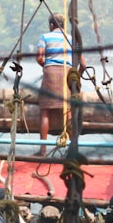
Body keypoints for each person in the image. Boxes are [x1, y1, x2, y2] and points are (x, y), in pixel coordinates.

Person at [35, 14, 81, 156]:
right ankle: (72, 149)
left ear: (51, 25)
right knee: (68, 112)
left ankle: (43, 150)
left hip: (50, 73)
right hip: (67, 73)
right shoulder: (71, 39)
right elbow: (82, 62)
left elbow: (39, 57)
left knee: (45, 111)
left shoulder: (45, 37)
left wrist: (47, 66)